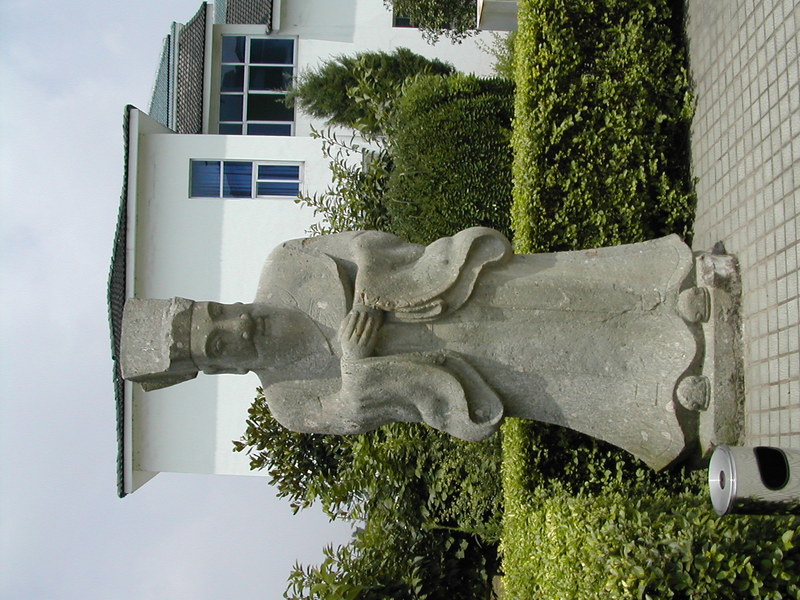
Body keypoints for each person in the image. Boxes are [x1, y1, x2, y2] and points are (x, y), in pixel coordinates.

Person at [121, 227, 710, 469]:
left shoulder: (286, 266)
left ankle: (663, 288)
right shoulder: (290, 403)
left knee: (542, 292)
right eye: (222, 342)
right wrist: (354, 362)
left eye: (220, 314)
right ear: (221, 366)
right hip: (446, 365)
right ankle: (662, 393)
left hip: (442, 297)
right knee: (548, 369)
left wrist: (375, 288)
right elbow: (351, 414)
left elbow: (365, 242)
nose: (239, 325)